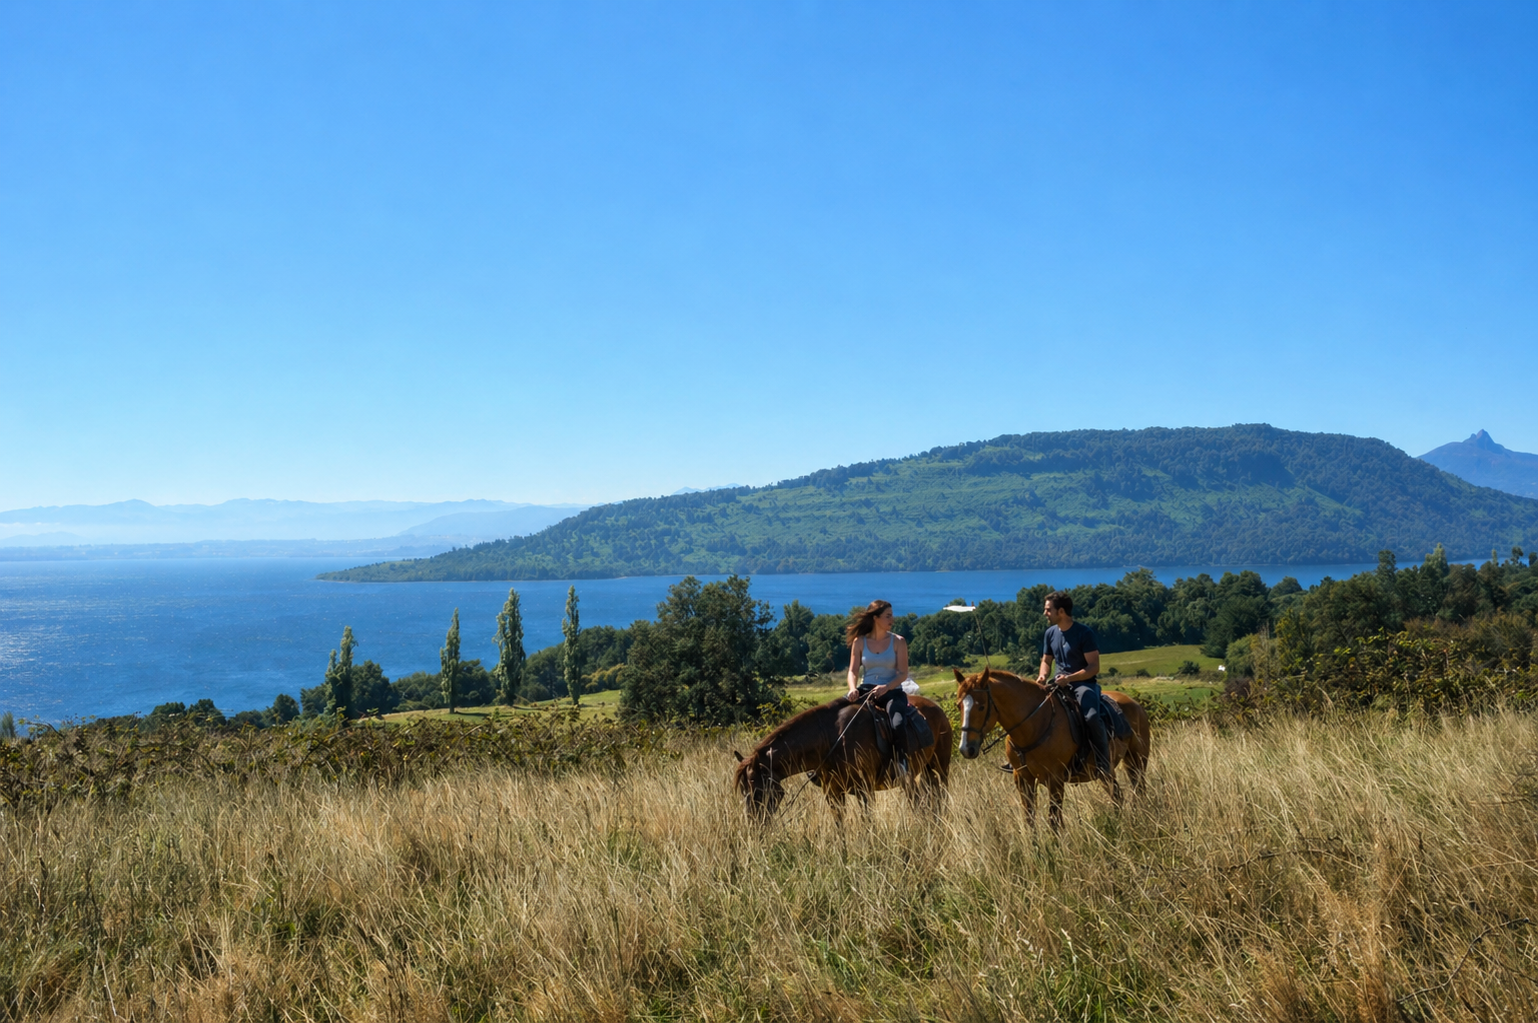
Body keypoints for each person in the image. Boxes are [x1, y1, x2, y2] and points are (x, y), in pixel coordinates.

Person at [846, 600, 931, 769]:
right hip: (866, 690)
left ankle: (901, 763)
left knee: (897, 722)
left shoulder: (898, 641)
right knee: (838, 714)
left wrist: (886, 687)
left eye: (892, 615)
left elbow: (903, 674)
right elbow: (853, 671)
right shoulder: (859, 642)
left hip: (892, 692)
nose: (893, 619)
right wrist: (852, 689)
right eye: (888, 616)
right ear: (876, 618)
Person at [1037, 590, 1111, 780]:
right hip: (1057, 684)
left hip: (1083, 685)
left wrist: (1069, 679)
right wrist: (1042, 676)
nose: (1045, 613)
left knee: (1092, 717)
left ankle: (1103, 763)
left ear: (1060, 611)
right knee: (1032, 711)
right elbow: (1046, 660)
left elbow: (1094, 667)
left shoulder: (1084, 633)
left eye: (1048, 610)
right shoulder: (1050, 633)